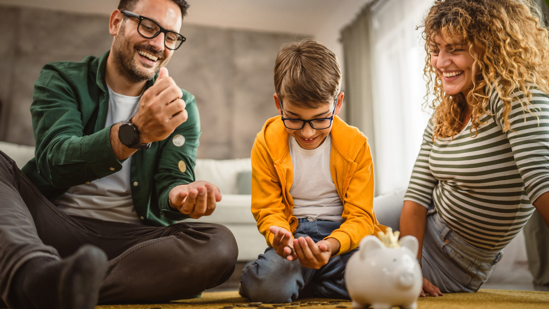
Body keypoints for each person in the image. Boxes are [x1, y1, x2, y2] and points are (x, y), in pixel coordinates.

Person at [0, 0, 238, 308]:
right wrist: (134, 133)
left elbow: (172, 181)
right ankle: (33, 269)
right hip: (52, 224)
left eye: (170, 36)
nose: (158, 44)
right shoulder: (62, 79)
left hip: (134, 245)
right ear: (116, 22)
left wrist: (180, 195)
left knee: (219, 244)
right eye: (148, 27)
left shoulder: (182, 106)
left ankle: (47, 283)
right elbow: (53, 161)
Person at [401, 0, 549, 297]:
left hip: (453, 260)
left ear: (489, 46)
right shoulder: (446, 110)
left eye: (455, 49)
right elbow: (415, 197)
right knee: (327, 232)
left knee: (326, 269)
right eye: (435, 49)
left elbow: (543, 185)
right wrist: (409, 267)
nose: (441, 62)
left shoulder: (513, 95)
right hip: (415, 231)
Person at [239, 39, 386, 303]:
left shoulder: (356, 145)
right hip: (294, 241)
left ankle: (307, 281)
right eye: (294, 118)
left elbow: (362, 218)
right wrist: (279, 235)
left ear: (337, 103)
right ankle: (304, 278)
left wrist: (329, 246)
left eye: (320, 119)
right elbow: (268, 209)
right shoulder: (266, 141)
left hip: (341, 241)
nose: (308, 133)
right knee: (266, 288)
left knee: (380, 282)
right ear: (278, 104)